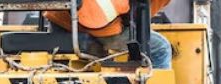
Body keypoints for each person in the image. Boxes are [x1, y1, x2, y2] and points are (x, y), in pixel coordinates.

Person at [45, 0, 173, 69]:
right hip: (96, 22)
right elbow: (138, 19)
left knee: (65, 64)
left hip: (59, 16)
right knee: (160, 48)